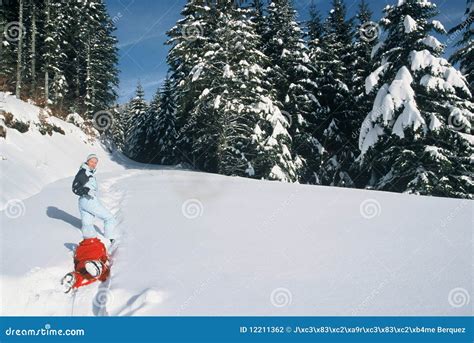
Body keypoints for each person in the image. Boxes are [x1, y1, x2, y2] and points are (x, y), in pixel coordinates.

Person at [72, 153, 118, 244]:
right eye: (92, 161)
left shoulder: (86, 172)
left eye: (95, 162)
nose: (93, 164)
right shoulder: (84, 172)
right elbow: (75, 187)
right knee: (109, 218)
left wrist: (85, 192)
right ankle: (110, 239)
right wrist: (86, 191)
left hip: (83, 201)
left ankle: (89, 244)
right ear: (87, 161)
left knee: (87, 224)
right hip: (89, 200)